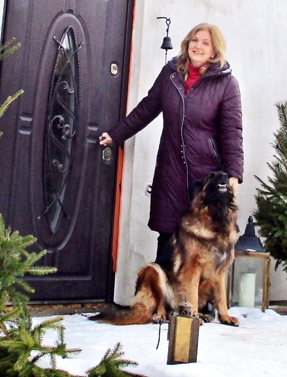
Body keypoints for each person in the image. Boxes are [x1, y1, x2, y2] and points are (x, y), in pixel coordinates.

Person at [99, 23, 243, 269]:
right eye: (194, 40)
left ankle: (198, 293)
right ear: (187, 43)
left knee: (203, 241)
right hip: (171, 170)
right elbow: (147, 108)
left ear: (214, 51)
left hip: (205, 176)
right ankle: (162, 291)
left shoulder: (226, 84)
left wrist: (234, 175)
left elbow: (232, 132)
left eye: (205, 43)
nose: (198, 46)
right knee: (168, 238)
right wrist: (116, 134)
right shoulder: (170, 74)